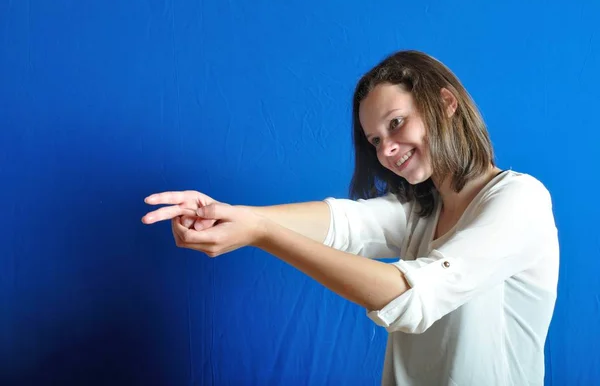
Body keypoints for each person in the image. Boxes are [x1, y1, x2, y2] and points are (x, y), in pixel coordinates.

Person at [141, 50, 559, 385]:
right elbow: (346, 223)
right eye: (376, 140)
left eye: (397, 124)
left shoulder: (519, 200)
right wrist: (229, 215)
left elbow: (412, 295)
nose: (386, 150)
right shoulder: (422, 210)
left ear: (446, 103)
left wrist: (262, 233)